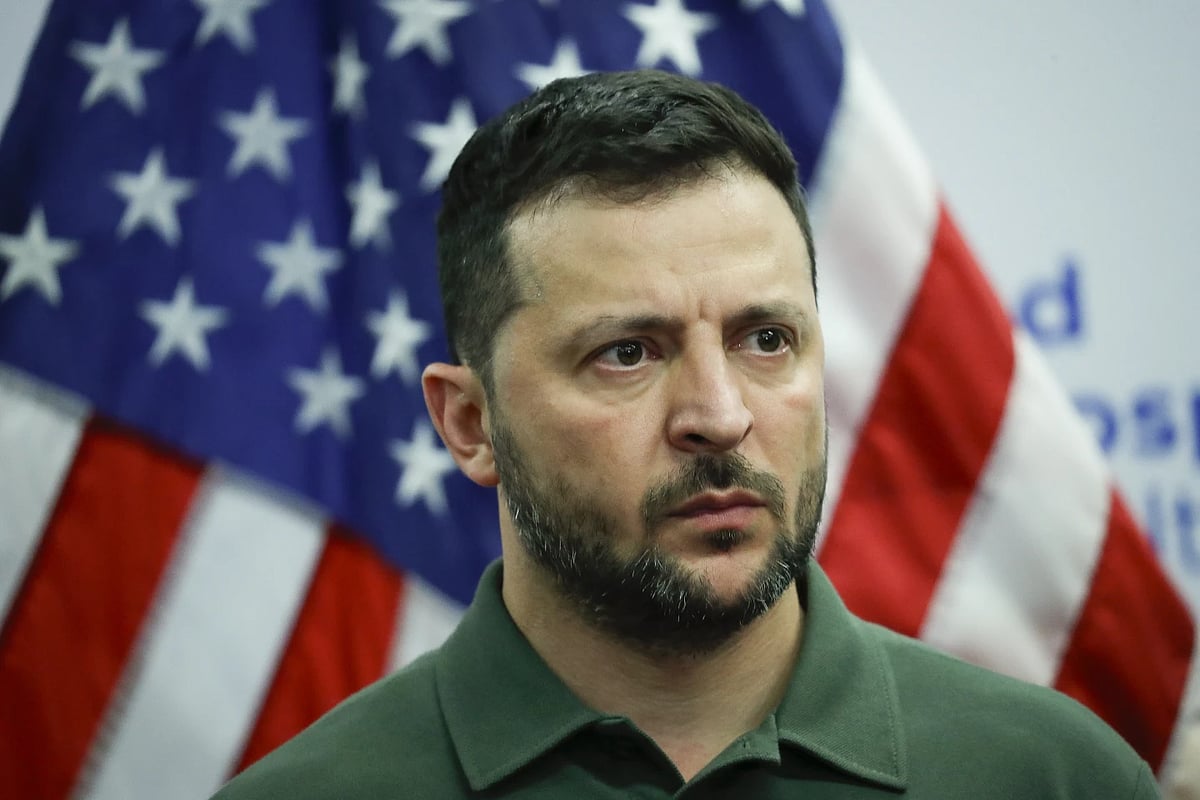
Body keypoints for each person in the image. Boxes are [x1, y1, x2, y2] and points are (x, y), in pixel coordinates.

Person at [212, 70, 1158, 798]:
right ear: (471, 423)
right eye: (627, 352)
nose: (720, 414)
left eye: (765, 339)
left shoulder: (1054, 777)